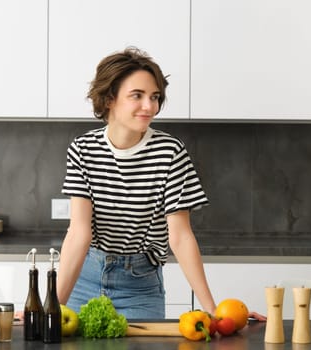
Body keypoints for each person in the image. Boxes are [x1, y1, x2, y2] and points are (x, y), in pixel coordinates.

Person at [57, 47, 264, 321]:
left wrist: (212, 310)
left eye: (155, 97)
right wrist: (51, 305)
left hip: (140, 286)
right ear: (109, 99)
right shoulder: (83, 149)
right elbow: (79, 233)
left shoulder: (170, 152)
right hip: (84, 278)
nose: (150, 106)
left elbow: (180, 236)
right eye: (137, 96)